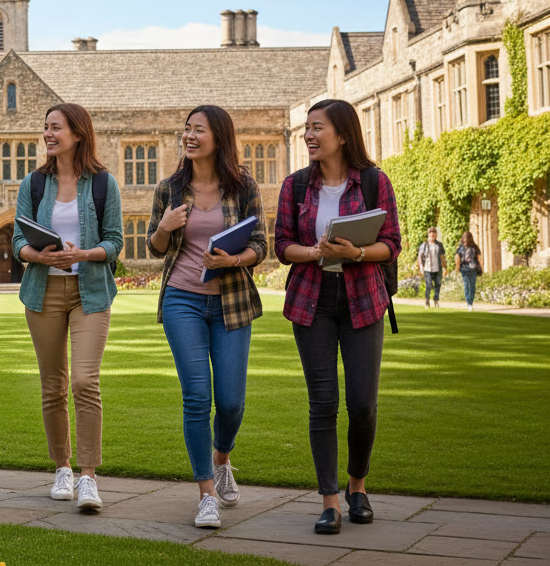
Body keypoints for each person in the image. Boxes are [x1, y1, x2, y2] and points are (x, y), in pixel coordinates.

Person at [274, 98, 401, 535]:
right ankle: (330, 500)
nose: (308, 135)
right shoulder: (293, 187)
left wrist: (357, 252)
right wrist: (313, 253)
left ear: (343, 134)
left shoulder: (373, 182)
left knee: (363, 405)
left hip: (363, 299)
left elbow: (392, 243)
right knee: (323, 403)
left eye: (317, 127)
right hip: (312, 300)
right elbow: (282, 245)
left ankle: (357, 487)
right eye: (306, 128)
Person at [146, 105, 267, 529]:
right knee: (197, 397)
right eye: (186, 129)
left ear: (219, 137)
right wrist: (164, 226)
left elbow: (261, 246)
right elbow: (155, 248)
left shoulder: (243, 185)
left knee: (231, 401)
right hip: (183, 299)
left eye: (199, 129)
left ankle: (222, 458)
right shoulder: (169, 188)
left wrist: (234, 260)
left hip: (231, 301)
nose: (189, 135)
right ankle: (206, 494)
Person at [11, 103, 122, 512]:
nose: (48, 134)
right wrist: (39, 257)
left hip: (89, 292)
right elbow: (17, 241)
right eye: (45, 127)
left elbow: (115, 241)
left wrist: (86, 253)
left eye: (55, 127)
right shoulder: (34, 184)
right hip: (43, 294)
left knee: (84, 381)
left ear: (78, 133)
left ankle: (89, 477)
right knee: (53, 386)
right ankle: (62, 468)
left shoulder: (103, 183)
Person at [415, 228, 445, 308]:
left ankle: (436, 300)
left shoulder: (439, 245)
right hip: (427, 269)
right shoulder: (424, 245)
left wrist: (444, 267)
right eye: (431, 233)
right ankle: (427, 301)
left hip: (437, 268)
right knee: (429, 285)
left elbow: (442, 257)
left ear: (436, 235)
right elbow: (420, 257)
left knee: (438, 284)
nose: (432, 235)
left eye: (434, 233)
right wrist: (421, 267)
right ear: (428, 235)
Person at [456, 231, 483, 311]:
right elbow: (457, 258)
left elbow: (479, 258)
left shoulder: (473, 247)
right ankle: (469, 303)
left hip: (470, 269)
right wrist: (457, 268)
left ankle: (470, 302)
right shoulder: (462, 247)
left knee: (470, 286)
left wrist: (481, 267)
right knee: (469, 286)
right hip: (467, 269)